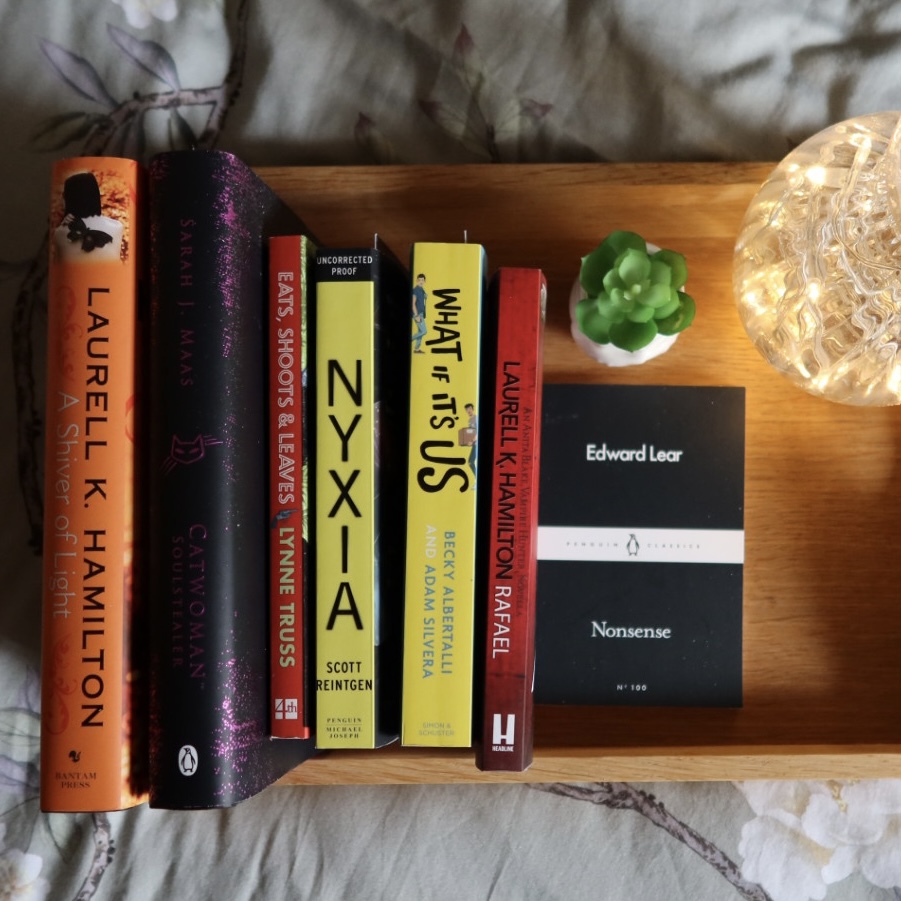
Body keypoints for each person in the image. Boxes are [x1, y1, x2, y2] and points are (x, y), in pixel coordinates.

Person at [411, 273, 427, 352]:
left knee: (420, 331)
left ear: (424, 281)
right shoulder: (415, 290)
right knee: (424, 331)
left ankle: (417, 348)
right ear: (417, 281)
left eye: (422, 280)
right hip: (417, 314)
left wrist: (425, 296)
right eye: (419, 280)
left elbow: (422, 300)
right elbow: (413, 303)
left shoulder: (422, 290)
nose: (421, 281)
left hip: (421, 314)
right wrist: (416, 315)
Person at [465, 402, 477, 483]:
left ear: (473, 409)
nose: (468, 411)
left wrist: (473, 440)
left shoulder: (476, 418)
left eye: (469, 409)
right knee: (470, 462)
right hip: (475, 444)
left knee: (471, 462)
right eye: (467, 410)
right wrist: (469, 441)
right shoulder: (470, 420)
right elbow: (471, 432)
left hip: (477, 444)